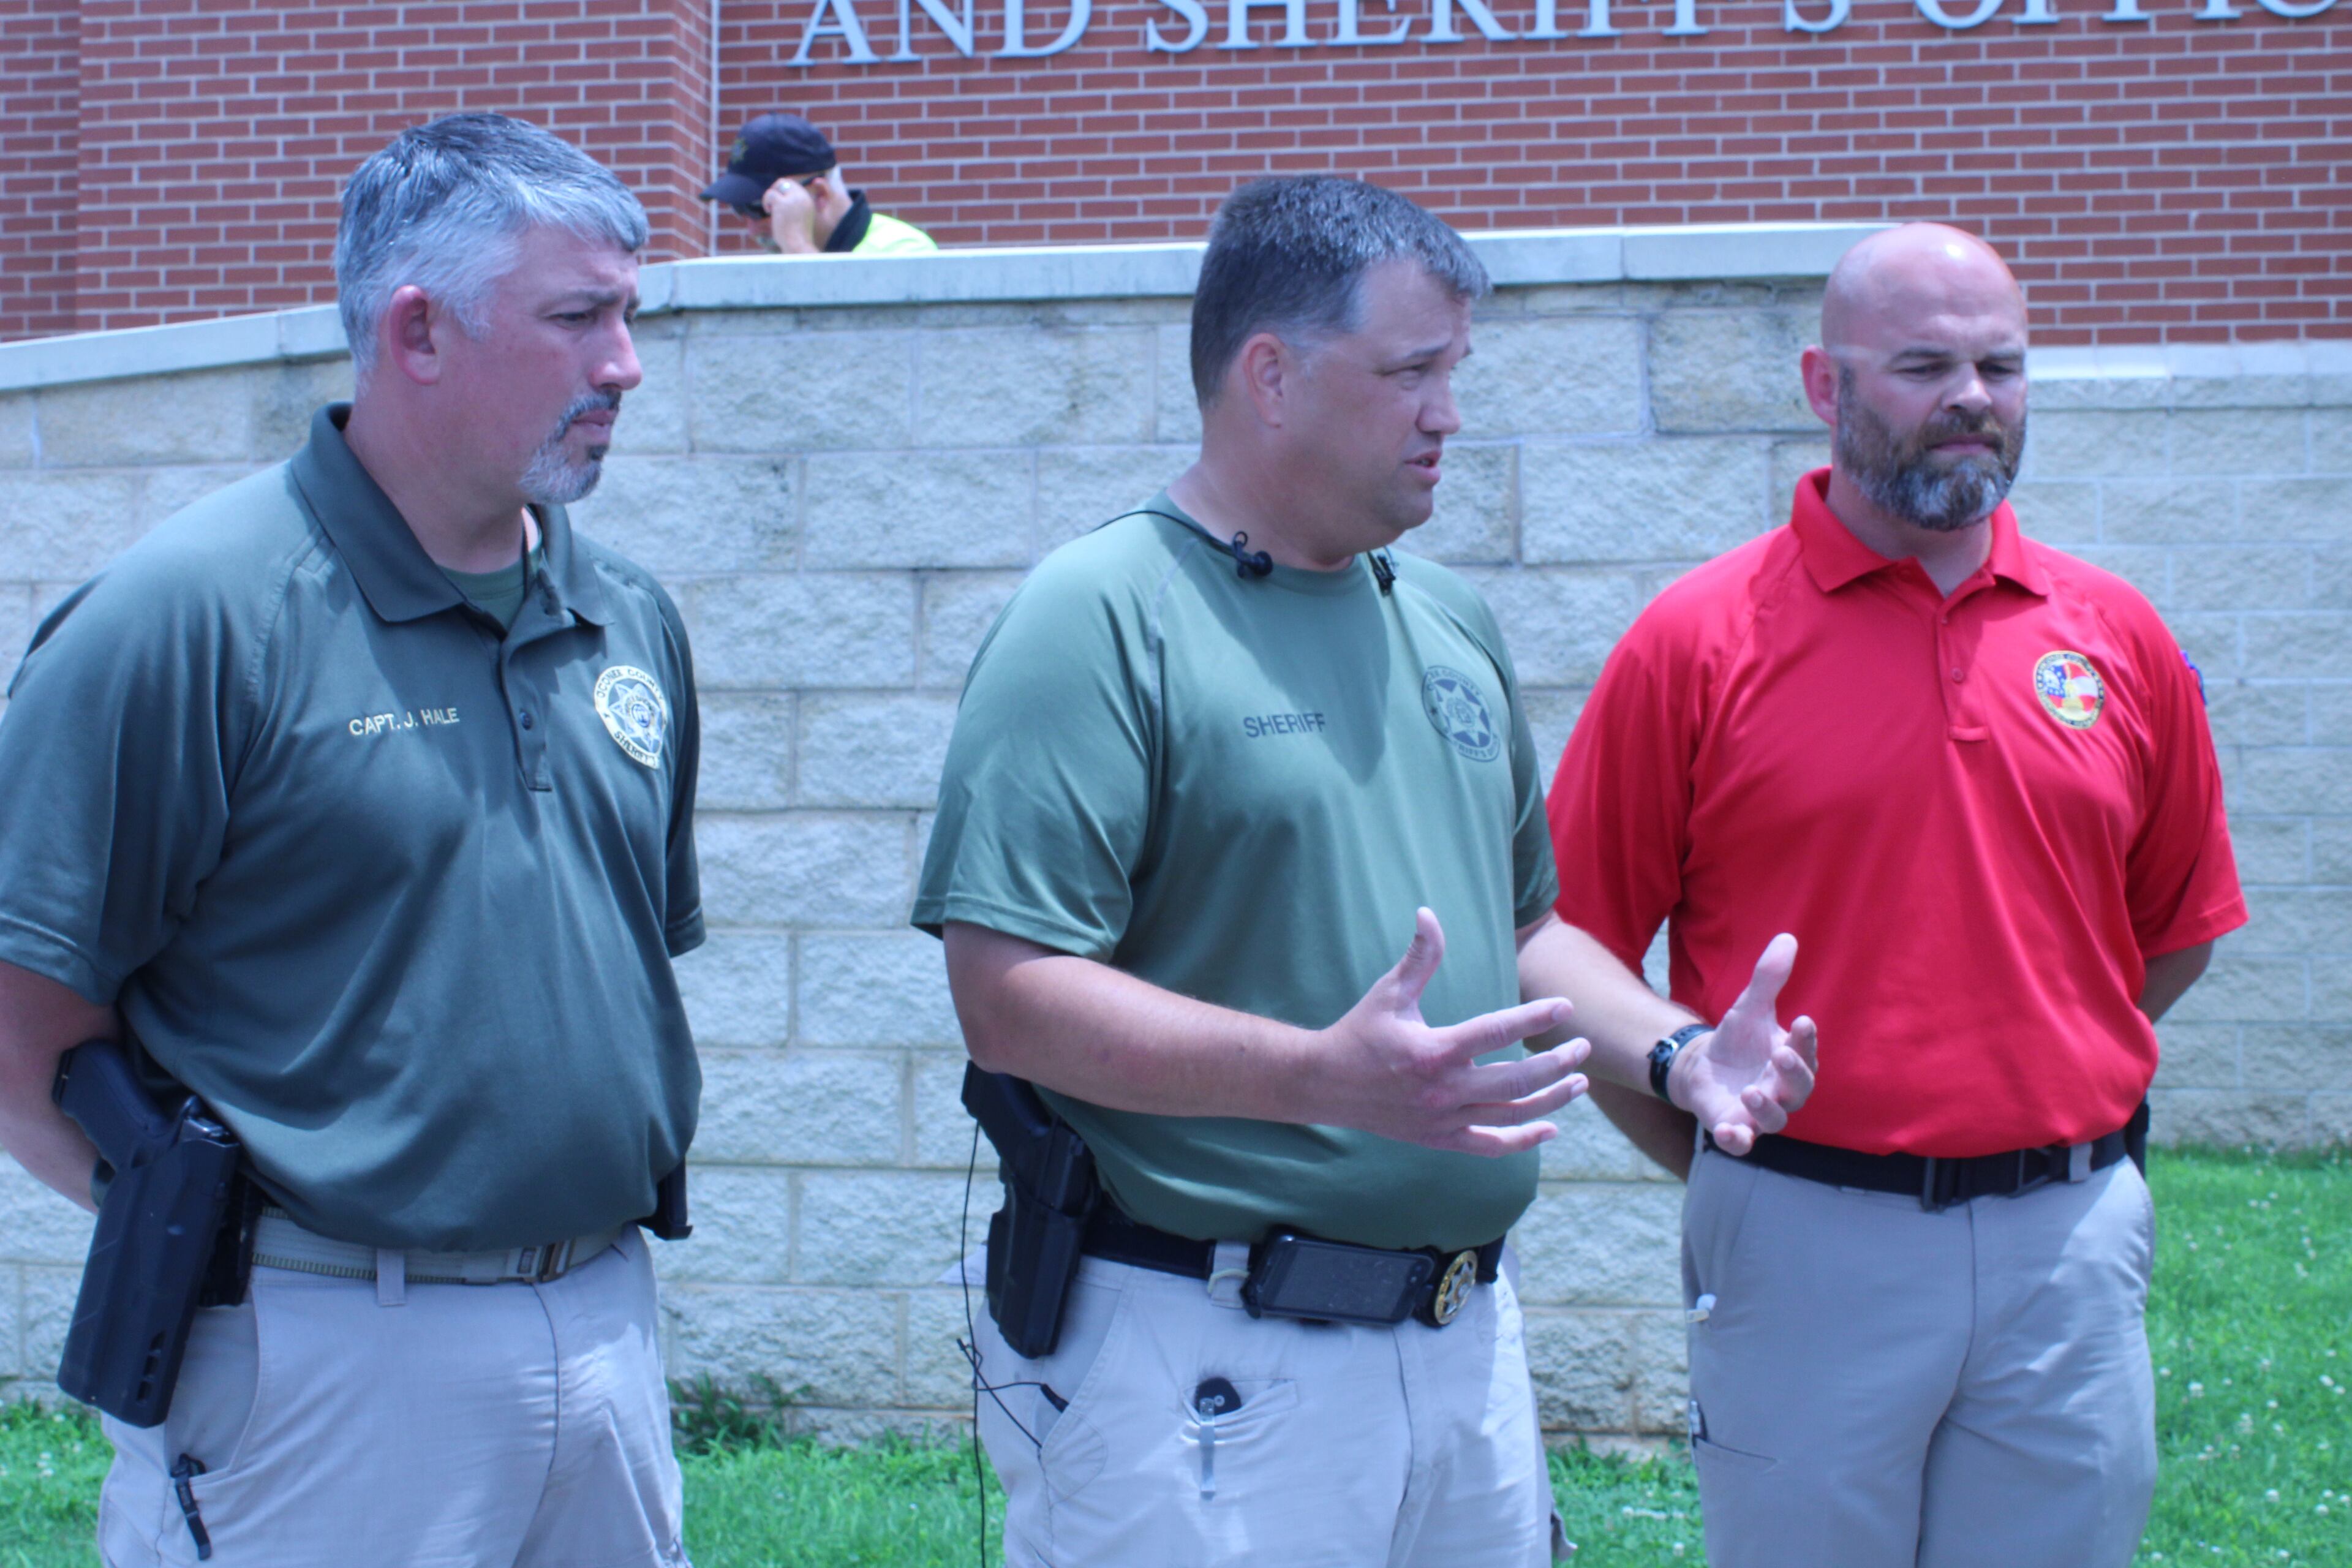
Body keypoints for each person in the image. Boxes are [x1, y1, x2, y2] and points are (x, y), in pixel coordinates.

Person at [913, 175, 1817, 1567]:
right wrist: (1316, 1076)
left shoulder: (1445, 621)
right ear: (1269, 375)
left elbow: (1524, 932)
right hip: (1203, 1361)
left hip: (1463, 1348)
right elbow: (1007, 995)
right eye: (1410, 373)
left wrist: (1677, 1054)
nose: (1447, 413)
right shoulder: (1098, 617)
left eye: (1454, 372)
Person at [0, 112, 704, 1567]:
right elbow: (21, 1020)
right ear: (418, 331)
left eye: (626, 316)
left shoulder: (627, 616)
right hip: (319, 1369)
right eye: (576, 318)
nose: (623, 365)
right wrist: (244, 1257)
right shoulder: (193, 617)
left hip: (609, 1330)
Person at [1546, 222, 2245, 1568]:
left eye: (2002, 366)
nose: (1972, 398)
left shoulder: (2118, 637)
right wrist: (1718, 1129)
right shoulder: (1697, 641)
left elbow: (2167, 938)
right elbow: (1567, 942)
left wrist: (2028, 1079)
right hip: (1804, 1238)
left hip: (2069, 1243)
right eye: (1925, 367)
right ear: (1826, 385)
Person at [699, 111, 937, 257]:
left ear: (820, 194)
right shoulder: (779, 264)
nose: (752, 230)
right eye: (740, 209)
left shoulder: (904, 251)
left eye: (761, 208)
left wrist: (798, 247)